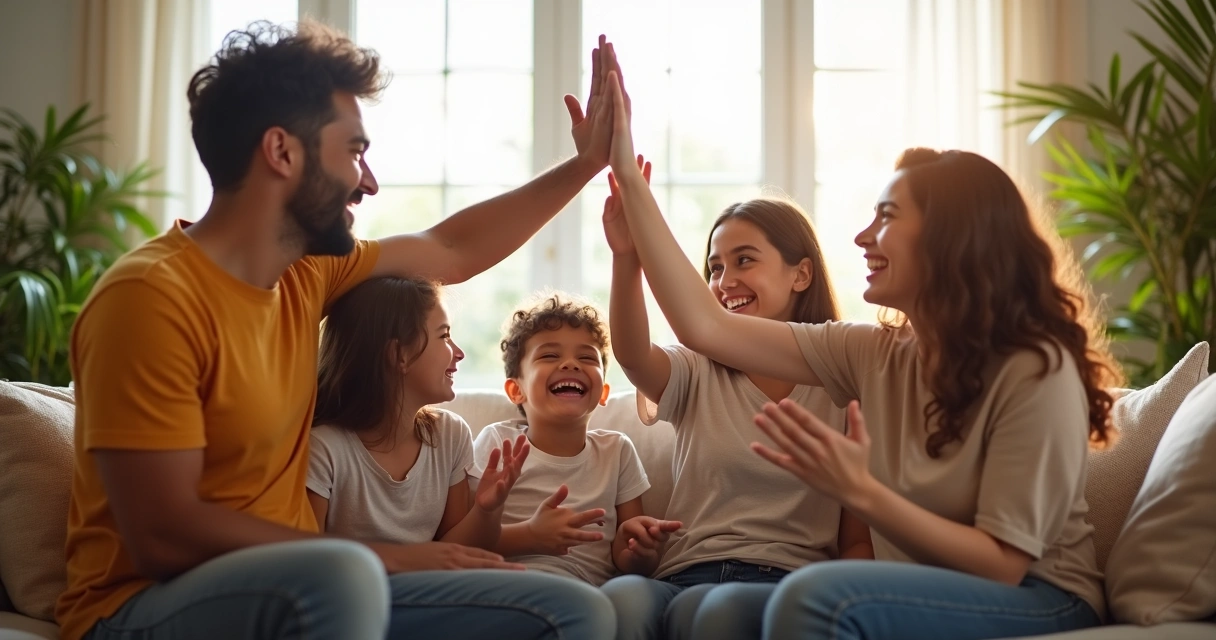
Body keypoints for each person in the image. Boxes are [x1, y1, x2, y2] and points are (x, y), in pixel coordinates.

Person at [57, 20, 624, 640]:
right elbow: (163, 535)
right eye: (354, 151)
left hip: (310, 583)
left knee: (574, 611)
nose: (370, 180)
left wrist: (586, 163)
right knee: (341, 575)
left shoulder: (305, 277)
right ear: (282, 152)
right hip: (141, 607)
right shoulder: (149, 298)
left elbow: (452, 247)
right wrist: (381, 557)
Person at [603, 68, 1120, 640]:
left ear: (952, 235)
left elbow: (1000, 563)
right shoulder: (869, 352)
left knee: (812, 599)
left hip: (1039, 596)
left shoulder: (1034, 366)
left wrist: (861, 492)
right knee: (727, 615)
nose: (861, 237)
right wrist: (627, 176)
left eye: (887, 217)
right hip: (922, 587)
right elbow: (704, 325)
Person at [599, 155, 872, 640]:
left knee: (714, 610)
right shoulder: (698, 368)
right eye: (715, 267)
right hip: (680, 574)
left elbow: (856, 538)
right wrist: (627, 256)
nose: (725, 283)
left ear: (801, 274)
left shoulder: (842, 381)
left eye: (744, 260)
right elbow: (634, 357)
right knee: (618, 600)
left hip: (782, 582)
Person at [469, 292, 681, 586]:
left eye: (586, 357)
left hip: (594, 590)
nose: (571, 364)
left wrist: (639, 548)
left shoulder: (616, 450)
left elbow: (626, 554)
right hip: (513, 584)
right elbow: (462, 541)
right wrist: (530, 535)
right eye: (549, 355)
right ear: (516, 390)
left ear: (603, 392)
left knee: (634, 591)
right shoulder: (497, 442)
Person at [307, 276, 530, 554]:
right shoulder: (324, 449)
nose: (459, 353)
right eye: (444, 336)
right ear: (399, 354)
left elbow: (454, 552)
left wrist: (487, 511)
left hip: (433, 587)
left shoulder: (450, 434)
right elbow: (310, 562)